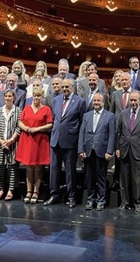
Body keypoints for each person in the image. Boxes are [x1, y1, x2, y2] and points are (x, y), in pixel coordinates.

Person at [44, 78, 86, 208]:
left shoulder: (80, 102)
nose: (65, 89)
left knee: (70, 171)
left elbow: (82, 123)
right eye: (63, 87)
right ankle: (54, 195)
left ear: (73, 87)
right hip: (55, 140)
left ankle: (71, 196)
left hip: (70, 141)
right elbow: (56, 119)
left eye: (67, 87)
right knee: (54, 171)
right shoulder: (56, 100)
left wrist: (80, 144)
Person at [115, 91, 140, 212]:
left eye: (135, 100)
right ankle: (124, 202)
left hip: (138, 150)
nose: (133, 103)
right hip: (124, 149)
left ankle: (137, 202)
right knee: (124, 178)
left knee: (137, 179)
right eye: (131, 100)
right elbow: (118, 132)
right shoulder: (123, 113)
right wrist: (117, 148)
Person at [78, 93, 115, 210]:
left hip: (102, 151)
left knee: (101, 177)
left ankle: (101, 200)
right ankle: (90, 199)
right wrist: (81, 149)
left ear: (103, 102)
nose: (96, 103)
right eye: (94, 100)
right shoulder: (86, 115)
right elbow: (81, 134)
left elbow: (112, 135)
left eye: (98, 100)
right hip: (88, 151)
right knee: (89, 177)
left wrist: (109, 151)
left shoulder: (110, 116)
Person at [16, 88, 53, 204]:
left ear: (42, 97)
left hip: (40, 140)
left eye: (39, 96)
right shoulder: (27, 108)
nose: (36, 98)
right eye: (35, 96)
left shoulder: (46, 109)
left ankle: (36, 191)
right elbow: (20, 121)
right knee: (29, 167)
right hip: (27, 138)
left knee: (38, 167)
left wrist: (37, 129)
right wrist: (25, 128)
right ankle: (28, 191)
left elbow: (49, 124)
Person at [0, 90, 21, 201]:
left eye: (10, 96)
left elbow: (19, 127)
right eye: (6, 96)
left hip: (13, 143)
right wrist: (1, 141)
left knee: (12, 168)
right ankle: (0, 189)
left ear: (14, 98)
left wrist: (11, 140)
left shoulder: (18, 111)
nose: (8, 98)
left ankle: (11, 190)